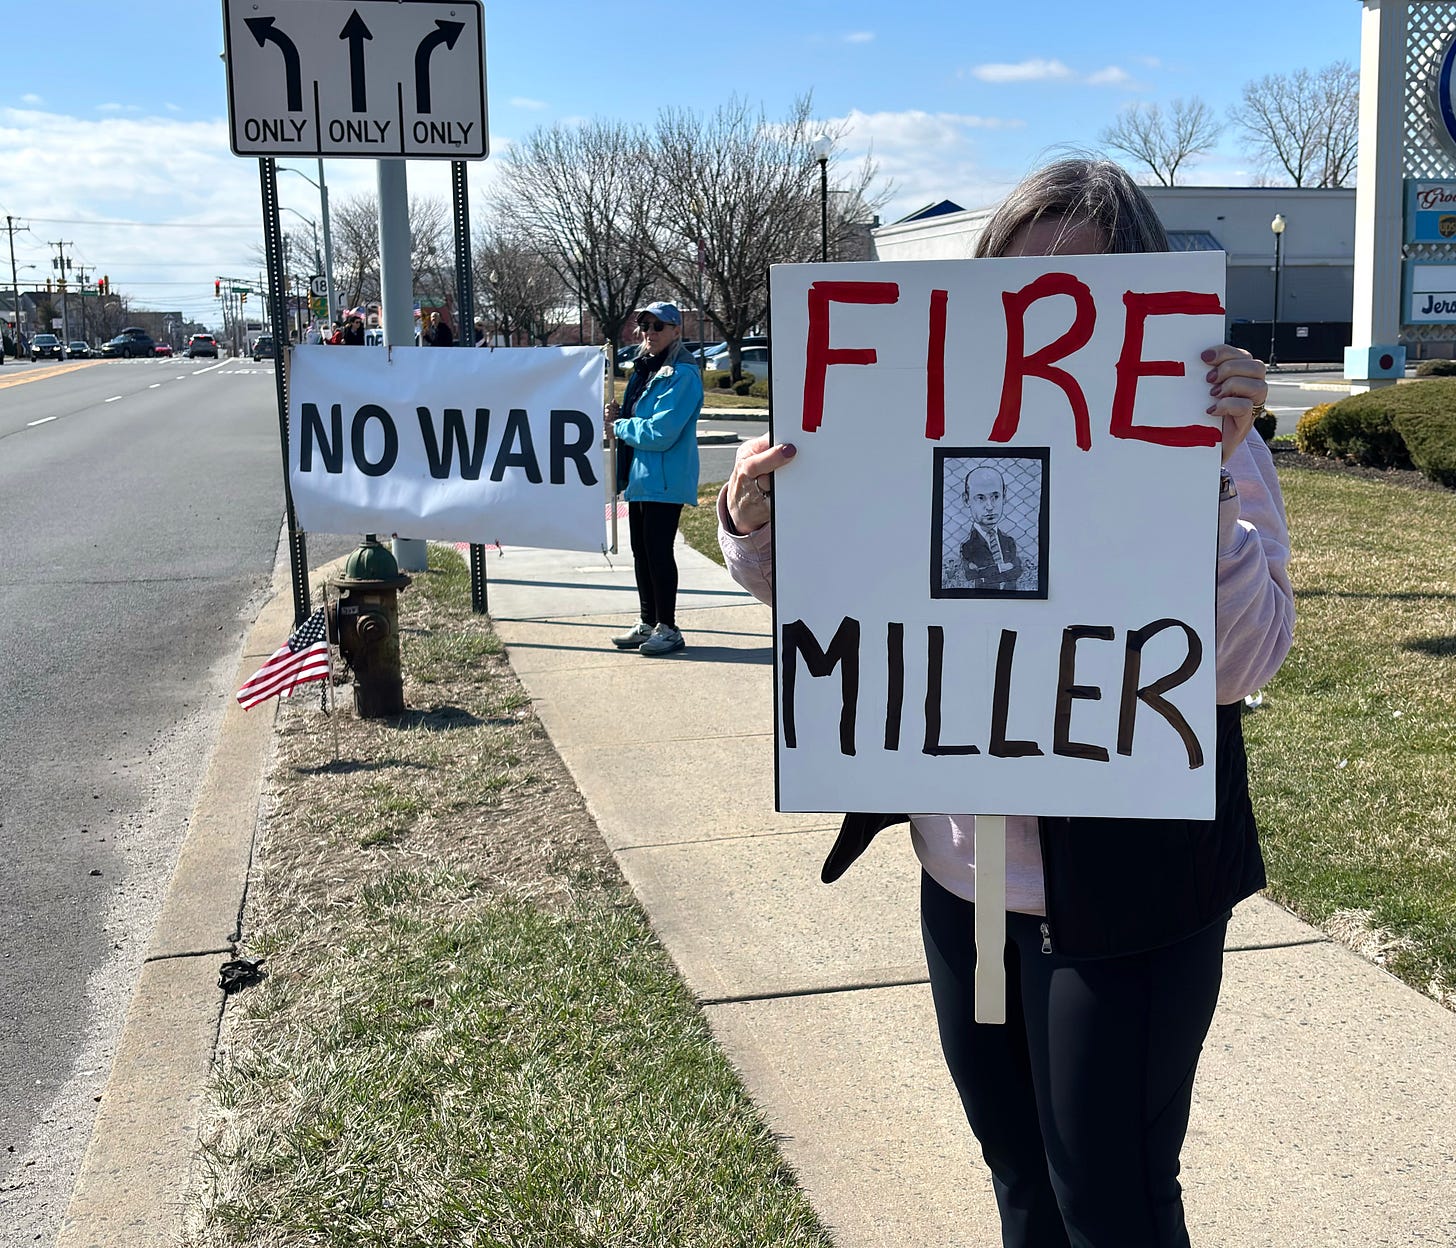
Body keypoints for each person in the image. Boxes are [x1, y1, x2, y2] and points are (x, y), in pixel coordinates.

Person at [717, 158, 1294, 1248]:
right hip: (968, 885)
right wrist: (753, 520)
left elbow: (1241, 663)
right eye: (1018, 285)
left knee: (1111, 1202)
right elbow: (833, 592)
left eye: (1084, 290)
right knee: (1019, 1176)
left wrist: (1198, 486)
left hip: (1133, 898)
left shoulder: (1220, 445)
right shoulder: (915, 422)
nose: (1046, 316)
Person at [602, 301, 704, 657]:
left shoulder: (682, 374)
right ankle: (648, 621)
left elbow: (662, 432)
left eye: (659, 326)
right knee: (642, 552)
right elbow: (639, 416)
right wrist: (620, 413)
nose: (650, 332)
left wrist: (620, 426)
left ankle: (669, 628)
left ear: (676, 331)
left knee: (658, 552)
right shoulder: (645, 369)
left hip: (665, 478)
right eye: (645, 325)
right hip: (641, 476)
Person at [960, 464, 1022, 590]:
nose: (989, 506)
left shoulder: (1009, 541)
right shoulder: (966, 545)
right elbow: (971, 576)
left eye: (995, 497)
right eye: (980, 498)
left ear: (1004, 496)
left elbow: (1017, 571)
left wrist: (986, 574)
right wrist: (1000, 569)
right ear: (966, 500)